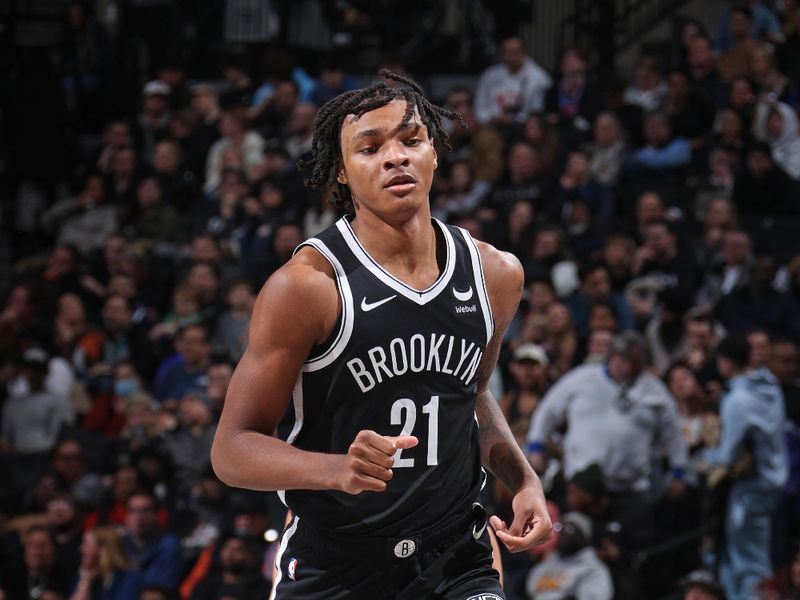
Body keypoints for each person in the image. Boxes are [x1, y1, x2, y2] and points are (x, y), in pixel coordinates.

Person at [211, 70, 552, 599]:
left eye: (411, 140)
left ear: (435, 152)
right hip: (338, 564)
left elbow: (473, 393)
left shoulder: (496, 274)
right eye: (370, 148)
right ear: (342, 173)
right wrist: (336, 469)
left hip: (454, 555)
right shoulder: (307, 287)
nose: (396, 157)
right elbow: (232, 450)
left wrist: (522, 477)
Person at [528, 331, 688, 548]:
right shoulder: (582, 378)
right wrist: (536, 447)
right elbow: (547, 411)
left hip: (630, 488)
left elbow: (674, 433)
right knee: (574, 546)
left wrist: (678, 471)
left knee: (632, 550)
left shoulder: (654, 390)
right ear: (611, 356)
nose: (629, 368)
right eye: (623, 360)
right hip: (581, 488)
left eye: (636, 362)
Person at [703, 334, 788, 600]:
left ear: (725, 362)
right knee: (738, 559)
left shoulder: (738, 400)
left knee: (749, 561)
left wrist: (706, 455)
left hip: (752, 487)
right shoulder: (770, 385)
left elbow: (727, 455)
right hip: (772, 480)